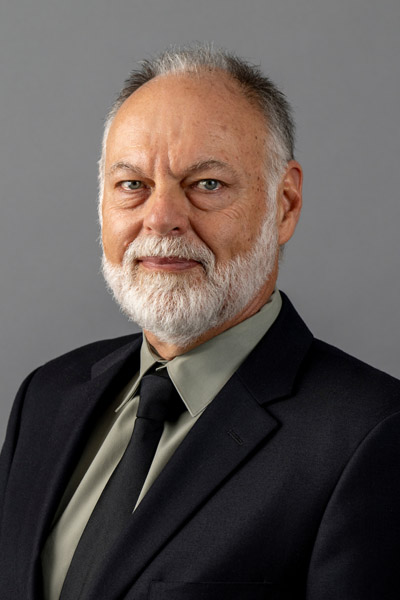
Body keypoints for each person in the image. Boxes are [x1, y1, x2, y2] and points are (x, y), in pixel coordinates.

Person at [0, 44, 399, 600]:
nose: (161, 218)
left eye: (207, 184)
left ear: (283, 204)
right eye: (132, 185)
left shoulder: (373, 435)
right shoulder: (46, 397)